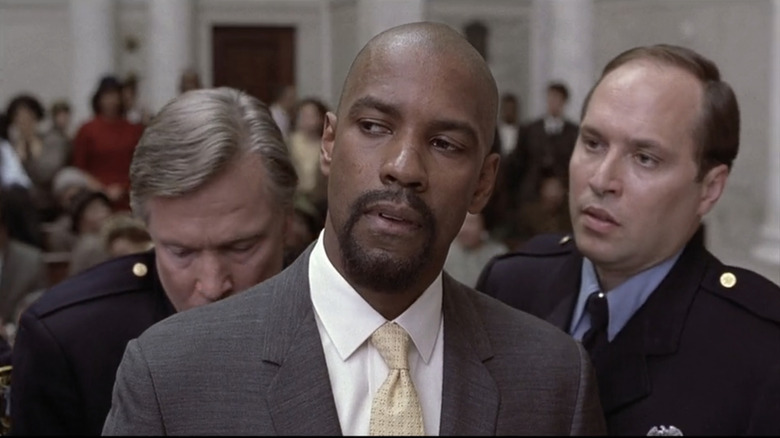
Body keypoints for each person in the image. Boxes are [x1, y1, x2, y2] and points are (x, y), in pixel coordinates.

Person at [102, 22, 605, 436]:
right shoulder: (171, 374)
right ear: (328, 142)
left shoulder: (553, 381)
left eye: (445, 144)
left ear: (484, 183)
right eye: (374, 127)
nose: (403, 167)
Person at [476, 44, 780, 436]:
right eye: (593, 143)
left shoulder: (758, 349)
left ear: (709, 188)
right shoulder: (512, 287)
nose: (602, 180)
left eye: (645, 158)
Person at [11, 87, 298, 435]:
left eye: (241, 248)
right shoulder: (69, 341)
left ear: (287, 223)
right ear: (146, 228)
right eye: (181, 252)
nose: (211, 285)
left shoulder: (346, 313)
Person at [72, 75, 145, 210]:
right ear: (99, 99)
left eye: (115, 95)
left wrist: (124, 187)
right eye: (107, 96)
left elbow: (141, 165)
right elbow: (79, 167)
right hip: (96, 197)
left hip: (129, 196)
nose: (111, 101)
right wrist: (102, 189)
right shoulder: (87, 130)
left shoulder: (134, 130)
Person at [512, 81, 578, 205]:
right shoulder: (530, 129)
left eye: (557, 99)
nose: (553, 102)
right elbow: (519, 161)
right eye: (550, 98)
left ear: (564, 102)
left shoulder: (574, 132)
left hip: (563, 191)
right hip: (532, 191)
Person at [443, 212, 508, 288]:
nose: (464, 229)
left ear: (483, 224)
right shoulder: (445, 251)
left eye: (470, 223)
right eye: (461, 222)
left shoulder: (497, 252)